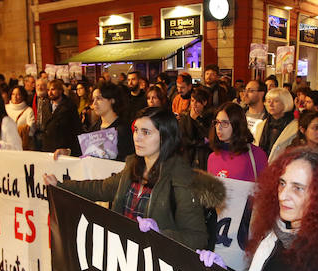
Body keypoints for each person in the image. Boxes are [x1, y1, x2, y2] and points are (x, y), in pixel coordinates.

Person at [47, 107, 218, 250]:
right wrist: (61, 186)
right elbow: (102, 188)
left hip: (155, 265)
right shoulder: (133, 166)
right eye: (136, 130)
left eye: (146, 132)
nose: (137, 137)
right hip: (125, 256)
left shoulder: (181, 178)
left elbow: (197, 238)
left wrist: (159, 234)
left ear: (165, 137)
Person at [207, 102, 268, 182]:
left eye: (224, 123)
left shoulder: (256, 155)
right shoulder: (212, 158)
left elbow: (267, 188)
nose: (219, 128)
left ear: (237, 125)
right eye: (217, 122)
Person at [81, 82, 134, 160]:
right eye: (93, 99)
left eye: (99, 98)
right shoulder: (94, 128)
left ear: (112, 100)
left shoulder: (123, 130)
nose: (94, 103)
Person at [254, 87, 298, 163]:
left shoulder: (296, 127)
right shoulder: (261, 125)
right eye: (268, 101)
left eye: (276, 101)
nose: (271, 104)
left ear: (285, 103)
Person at [40, 79, 81, 156]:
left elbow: (76, 128)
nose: (50, 92)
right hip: (47, 147)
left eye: (53, 89)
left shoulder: (69, 106)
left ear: (60, 90)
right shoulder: (45, 105)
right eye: (48, 90)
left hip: (62, 146)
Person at [178, 87, 213, 170]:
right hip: (188, 157)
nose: (194, 104)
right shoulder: (185, 117)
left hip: (204, 157)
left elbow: (209, 136)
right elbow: (185, 139)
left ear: (204, 102)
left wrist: (197, 120)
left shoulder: (210, 117)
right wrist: (191, 119)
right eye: (192, 101)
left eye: (197, 101)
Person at [5, 85, 36, 149]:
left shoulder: (28, 110)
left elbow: (31, 130)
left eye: (18, 94)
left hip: (20, 144)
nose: (15, 97)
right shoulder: (5, 108)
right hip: (6, 142)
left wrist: (21, 130)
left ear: (23, 96)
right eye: (13, 94)